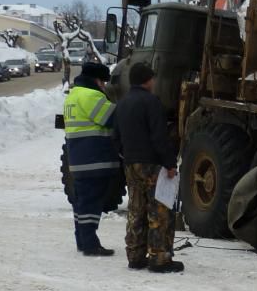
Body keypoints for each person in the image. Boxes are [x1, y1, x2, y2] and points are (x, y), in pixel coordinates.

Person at [115, 62, 183, 273]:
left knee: (136, 210)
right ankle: (159, 258)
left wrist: (126, 157)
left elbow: (115, 137)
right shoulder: (151, 102)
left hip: (131, 164)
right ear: (147, 80)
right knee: (159, 210)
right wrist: (170, 163)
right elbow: (159, 137)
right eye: (152, 78)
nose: (154, 81)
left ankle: (135, 255)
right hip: (152, 165)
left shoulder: (123, 103)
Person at [63, 61, 120, 256]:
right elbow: (112, 118)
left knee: (82, 204)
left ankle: (82, 240)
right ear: (96, 80)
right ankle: (90, 244)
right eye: (103, 82)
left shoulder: (73, 95)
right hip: (94, 158)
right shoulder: (91, 95)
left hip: (79, 159)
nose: (104, 86)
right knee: (91, 204)